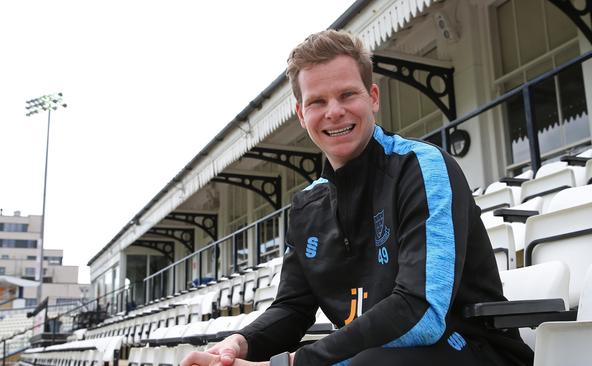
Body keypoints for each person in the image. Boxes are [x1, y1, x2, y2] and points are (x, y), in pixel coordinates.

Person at [181, 29, 533, 366]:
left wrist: (294, 364)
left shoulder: (421, 166)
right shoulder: (307, 205)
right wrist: (237, 345)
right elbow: (292, 308)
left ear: (373, 97)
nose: (334, 111)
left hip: (474, 350)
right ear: (302, 115)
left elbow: (420, 313)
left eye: (347, 94)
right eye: (318, 101)